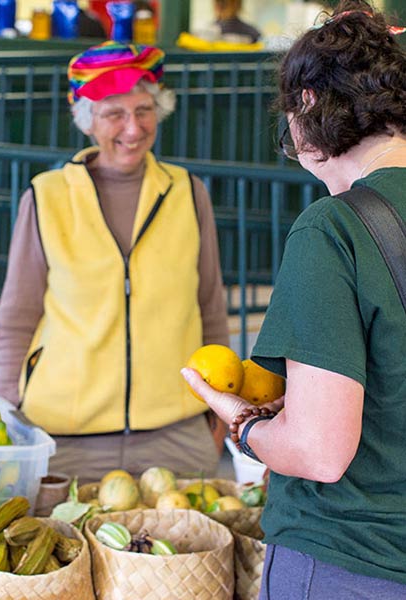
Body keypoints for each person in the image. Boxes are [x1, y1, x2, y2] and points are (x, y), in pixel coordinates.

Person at [182, 1, 406, 597]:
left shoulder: (333, 228)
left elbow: (319, 452)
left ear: (308, 107)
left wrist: (242, 424)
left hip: (353, 558)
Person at [0, 41, 230, 483]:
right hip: (66, 435)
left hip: (175, 433)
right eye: (113, 114)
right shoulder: (46, 196)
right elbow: (17, 315)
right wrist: (11, 405)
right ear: (87, 122)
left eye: (143, 110)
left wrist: (218, 409)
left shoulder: (188, 193)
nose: (133, 128)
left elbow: (209, 305)